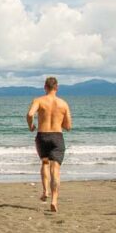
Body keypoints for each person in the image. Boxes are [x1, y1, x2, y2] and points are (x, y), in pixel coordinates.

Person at [26, 76, 72, 212]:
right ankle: (54, 200)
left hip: (42, 136)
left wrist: (31, 126)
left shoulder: (39, 101)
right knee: (55, 169)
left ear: (45, 87)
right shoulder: (63, 104)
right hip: (57, 136)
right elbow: (68, 126)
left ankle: (45, 191)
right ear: (56, 88)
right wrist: (59, 122)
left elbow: (29, 114)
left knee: (45, 163)